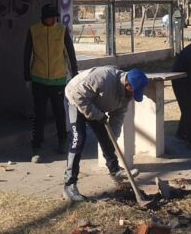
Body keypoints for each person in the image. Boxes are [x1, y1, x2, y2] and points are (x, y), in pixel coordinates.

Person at [62, 66, 150, 202]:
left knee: (106, 138)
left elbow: (118, 116)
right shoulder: (104, 78)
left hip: (96, 106)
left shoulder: (127, 95)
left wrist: (112, 138)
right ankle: (69, 185)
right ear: (127, 84)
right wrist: (98, 115)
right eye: (133, 92)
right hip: (76, 99)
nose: (133, 96)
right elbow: (76, 94)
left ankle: (115, 171)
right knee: (78, 139)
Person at [23, 4, 79, 163]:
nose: (54, 19)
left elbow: (70, 53)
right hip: (38, 79)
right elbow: (27, 54)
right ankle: (36, 148)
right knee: (38, 114)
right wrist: (27, 77)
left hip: (58, 79)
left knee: (59, 112)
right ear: (44, 17)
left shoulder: (62, 30)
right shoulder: (34, 30)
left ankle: (62, 141)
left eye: (55, 17)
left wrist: (74, 74)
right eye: (51, 17)